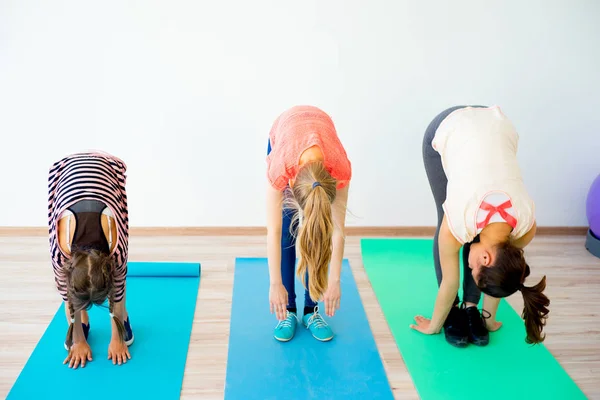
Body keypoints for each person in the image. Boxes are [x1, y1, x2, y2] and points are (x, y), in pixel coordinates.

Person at [411, 105, 550, 347]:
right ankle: (454, 310)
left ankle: (472, 308)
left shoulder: (526, 227)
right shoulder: (461, 215)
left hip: (496, 128)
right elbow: (450, 281)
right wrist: (433, 325)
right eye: (474, 271)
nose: (468, 265)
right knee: (446, 223)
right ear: (485, 258)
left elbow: (503, 267)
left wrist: (489, 318)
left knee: (480, 234)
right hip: (450, 125)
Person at [266, 105, 351, 342]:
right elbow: (273, 232)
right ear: (290, 186)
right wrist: (275, 283)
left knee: (319, 231)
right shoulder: (281, 169)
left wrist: (334, 279)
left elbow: (337, 230)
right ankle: (289, 310)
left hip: (322, 139)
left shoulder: (339, 168)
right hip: (285, 134)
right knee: (286, 232)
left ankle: (310, 311)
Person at [48, 151, 134, 368]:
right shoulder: (60, 252)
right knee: (72, 338)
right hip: (64, 178)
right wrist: (77, 339)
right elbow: (68, 297)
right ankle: (82, 321)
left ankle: (123, 319)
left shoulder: (117, 250)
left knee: (125, 334)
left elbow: (118, 290)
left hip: (107, 172)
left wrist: (117, 337)